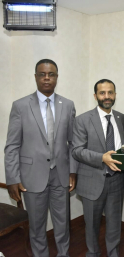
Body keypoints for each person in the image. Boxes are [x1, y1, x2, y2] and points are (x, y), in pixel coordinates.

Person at [4, 59, 77, 257]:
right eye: (42, 74)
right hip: (31, 176)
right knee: (37, 226)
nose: (47, 78)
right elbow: (12, 146)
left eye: (51, 74)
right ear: (36, 77)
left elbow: (73, 143)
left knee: (63, 224)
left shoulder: (68, 105)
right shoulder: (20, 106)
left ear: (56, 77)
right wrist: (12, 178)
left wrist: (72, 170)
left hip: (61, 175)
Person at [72, 79, 124, 257]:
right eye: (102, 93)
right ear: (95, 96)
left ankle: (113, 253)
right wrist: (102, 158)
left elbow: (120, 147)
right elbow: (77, 151)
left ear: (115, 94)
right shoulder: (83, 120)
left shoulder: (121, 117)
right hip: (92, 181)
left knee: (114, 224)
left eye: (110, 92)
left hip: (116, 180)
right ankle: (93, 254)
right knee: (91, 225)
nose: (107, 97)